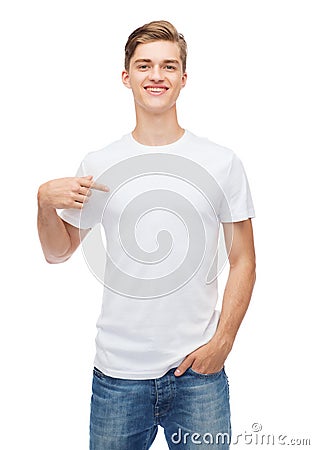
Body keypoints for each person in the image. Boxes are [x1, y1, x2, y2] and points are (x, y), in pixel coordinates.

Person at [37, 20, 256, 450]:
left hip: (199, 377)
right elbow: (57, 251)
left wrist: (222, 343)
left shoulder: (221, 162)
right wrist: (43, 202)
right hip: (117, 377)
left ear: (183, 78)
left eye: (168, 66)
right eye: (145, 65)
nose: (156, 75)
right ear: (127, 77)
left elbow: (243, 259)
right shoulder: (100, 162)